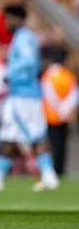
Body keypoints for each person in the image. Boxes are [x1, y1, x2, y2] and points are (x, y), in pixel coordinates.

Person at [0, 4, 59, 192]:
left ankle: (49, 175)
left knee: (35, 135)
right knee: (9, 135)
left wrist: (10, 74)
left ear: (17, 19)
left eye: (8, 19)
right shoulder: (21, 37)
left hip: (24, 95)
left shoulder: (24, 38)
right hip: (19, 94)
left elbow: (29, 62)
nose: (6, 23)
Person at [40, 44, 77, 177]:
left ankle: (53, 170)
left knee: (52, 145)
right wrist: (66, 111)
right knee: (62, 145)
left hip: (51, 115)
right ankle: (60, 170)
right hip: (65, 116)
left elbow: (49, 95)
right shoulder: (68, 76)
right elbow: (74, 95)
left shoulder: (48, 75)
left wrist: (60, 110)